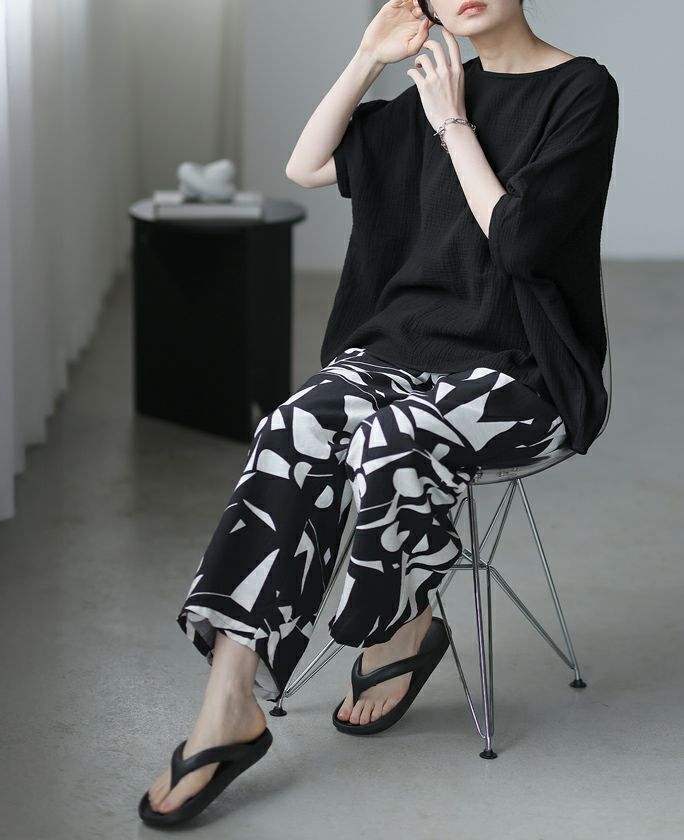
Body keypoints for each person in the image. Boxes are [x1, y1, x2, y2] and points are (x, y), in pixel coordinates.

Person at [138, 0, 619, 826]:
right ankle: (229, 699)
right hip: (400, 351)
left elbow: (520, 243)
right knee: (293, 427)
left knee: (395, 440)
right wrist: (366, 59)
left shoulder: (580, 90)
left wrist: (454, 126)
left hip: (521, 375)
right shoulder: (436, 84)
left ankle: (395, 625)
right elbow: (305, 164)